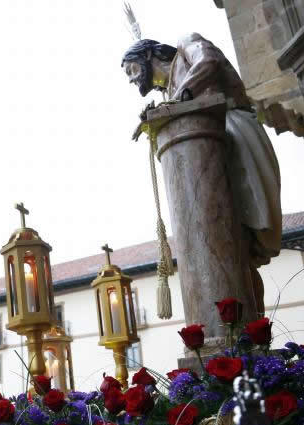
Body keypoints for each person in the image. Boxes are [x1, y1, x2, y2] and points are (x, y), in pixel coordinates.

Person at [121, 35, 282, 315]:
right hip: (203, 149)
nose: (133, 80)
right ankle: (253, 325)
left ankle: (252, 325)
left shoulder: (187, 45)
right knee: (234, 248)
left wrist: (179, 98)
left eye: (131, 70)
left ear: (147, 55)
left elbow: (208, 62)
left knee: (245, 239)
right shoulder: (168, 90)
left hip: (233, 131)